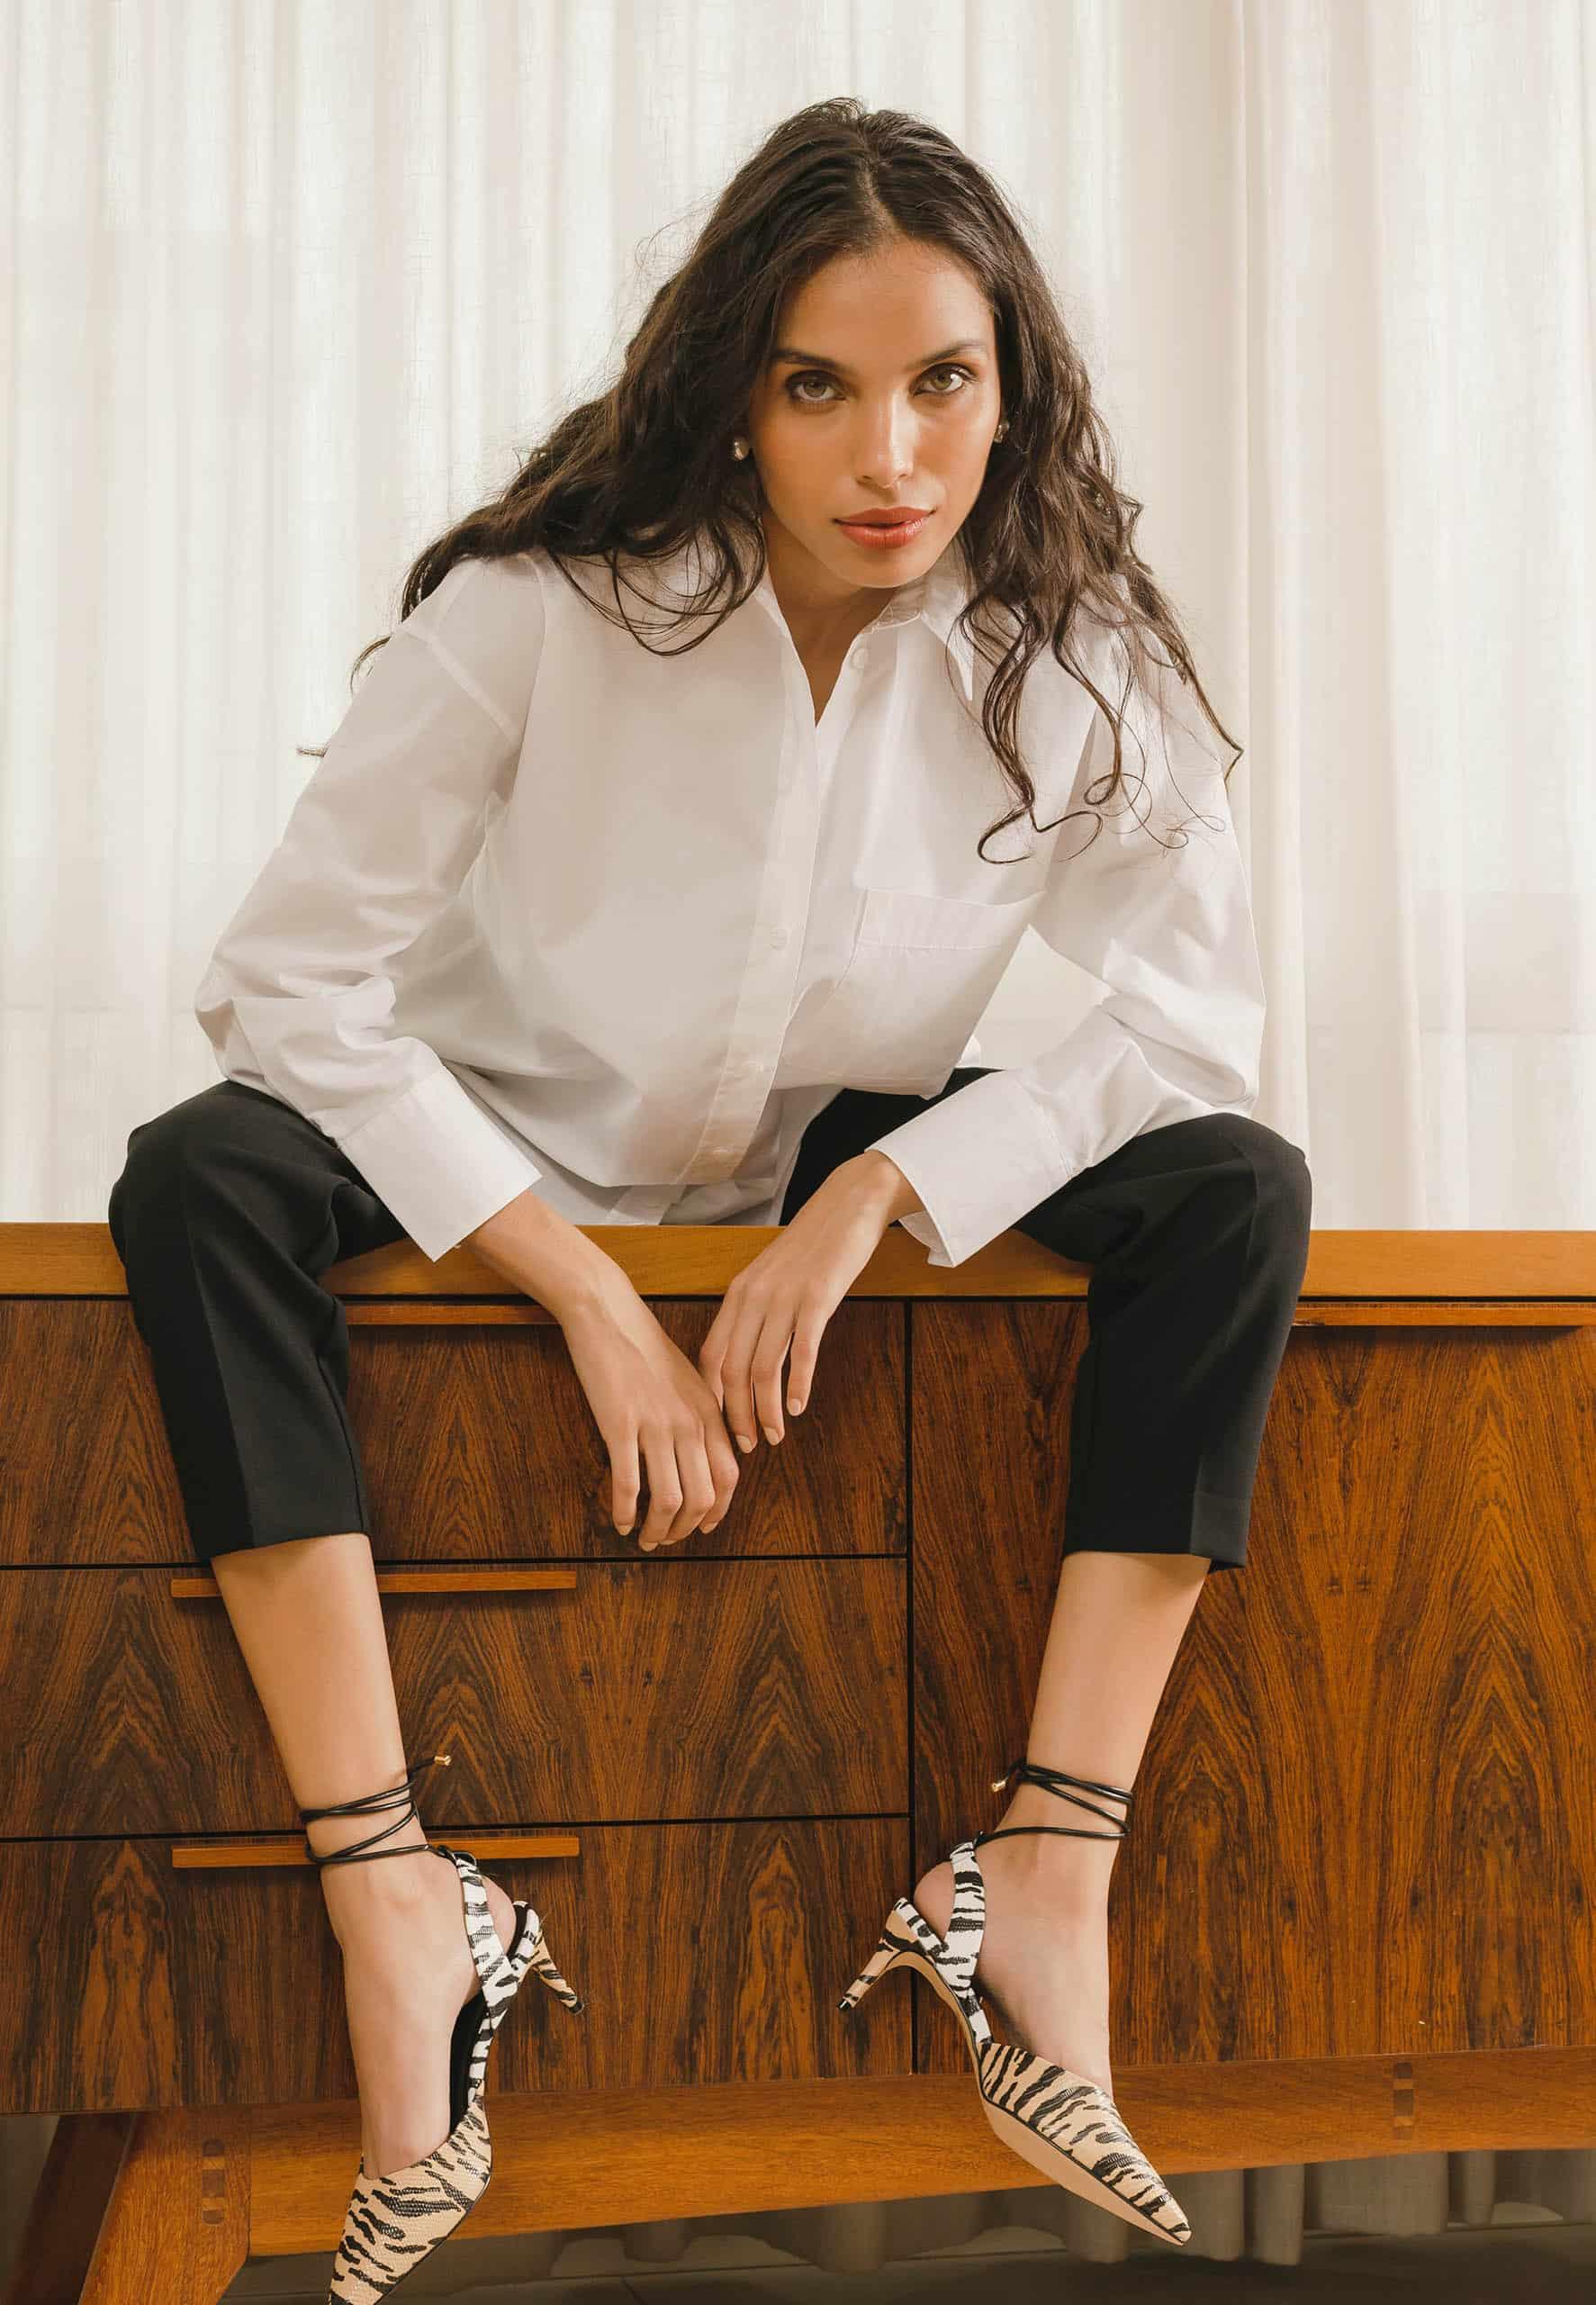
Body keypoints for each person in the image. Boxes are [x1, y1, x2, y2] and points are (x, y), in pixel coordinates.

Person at [106, 95, 1311, 2287]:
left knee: (1232, 1184)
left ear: (1010, 388)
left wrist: (867, 1208)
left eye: (940, 382)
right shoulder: (540, 613)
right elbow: (283, 981)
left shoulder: (1063, 655)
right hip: (484, 1137)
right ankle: (398, 1891)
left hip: (813, 1150)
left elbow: (1194, 1017)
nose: (889, 456)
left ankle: (1041, 1865)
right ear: (731, 396)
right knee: (196, 1175)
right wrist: (581, 1289)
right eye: (816, 386)